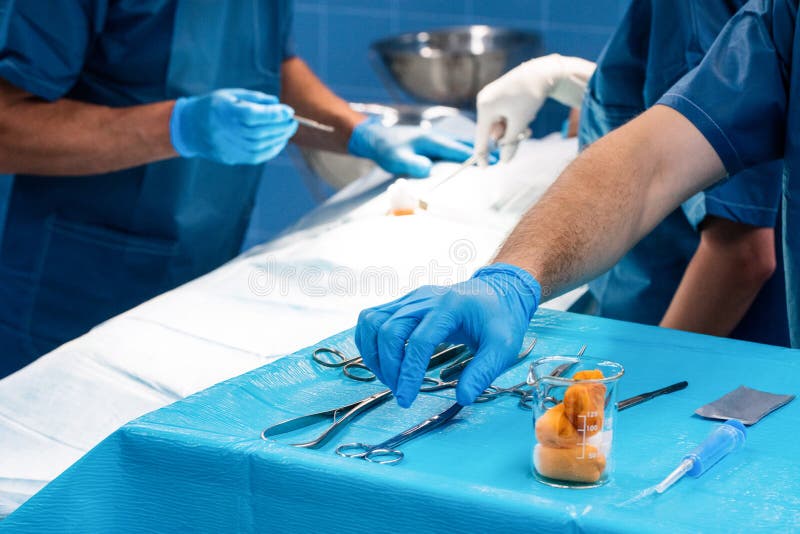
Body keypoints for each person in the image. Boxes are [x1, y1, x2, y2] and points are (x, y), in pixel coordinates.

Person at [355, 0, 800, 409]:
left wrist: (644, 390)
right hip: (634, 318)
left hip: (716, 354)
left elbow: (742, 251)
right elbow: (651, 159)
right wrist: (510, 279)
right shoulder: (776, 18)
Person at [0, 1, 472, 377]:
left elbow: (270, 63)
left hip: (199, 263)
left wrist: (358, 132)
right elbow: (7, 127)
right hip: (74, 286)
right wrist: (178, 126)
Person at [474, 0, 789, 346]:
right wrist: (579, 82)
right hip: (637, 317)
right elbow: (691, 105)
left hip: (701, 341)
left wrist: (657, 367)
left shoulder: (696, 9)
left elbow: (742, 253)